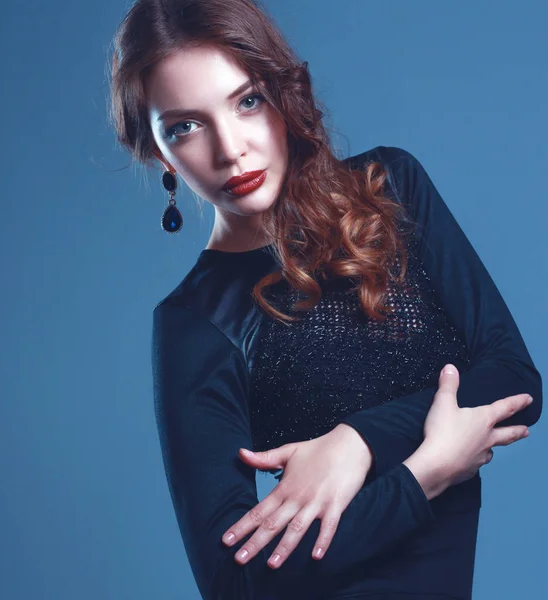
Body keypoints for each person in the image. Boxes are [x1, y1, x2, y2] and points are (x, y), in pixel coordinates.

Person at [107, 1, 543, 598]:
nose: (230, 148)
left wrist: (356, 443)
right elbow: (233, 584)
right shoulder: (193, 321)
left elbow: (514, 382)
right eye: (185, 126)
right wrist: (421, 477)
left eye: (247, 101)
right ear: (160, 153)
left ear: (284, 94)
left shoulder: (389, 189)